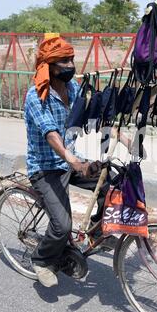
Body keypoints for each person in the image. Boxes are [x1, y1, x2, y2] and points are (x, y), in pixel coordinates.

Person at [24, 36, 129, 288]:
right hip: (46, 167)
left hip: (73, 161)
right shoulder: (36, 96)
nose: (71, 65)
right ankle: (41, 260)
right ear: (49, 65)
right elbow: (51, 133)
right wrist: (74, 161)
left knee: (112, 183)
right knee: (62, 226)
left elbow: (93, 114)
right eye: (64, 61)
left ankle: (98, 229)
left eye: (72, 59)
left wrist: (122, 136)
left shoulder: (73, 89)